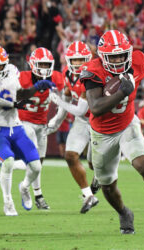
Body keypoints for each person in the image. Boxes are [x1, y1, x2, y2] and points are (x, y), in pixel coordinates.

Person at [79, 30, 144, 234]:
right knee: (108, 186)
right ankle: (124, 213)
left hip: (127, 124)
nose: (118, 60)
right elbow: (96, 107)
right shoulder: (93, 71)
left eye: (121, 55)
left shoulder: (137, 61)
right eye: (113, 56)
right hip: (102, 133)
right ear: (102, 56)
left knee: (143, 165)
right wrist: (121, 93)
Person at [0, 44, 55, 215]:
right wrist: (12, 104)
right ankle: (7, 201)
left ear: (6, 63)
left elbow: (20, 94)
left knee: (36, 167)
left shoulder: (12, 71)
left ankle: (25, 187)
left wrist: (35, 88)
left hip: (16, 127)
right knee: (9, 161)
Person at [48, 41, 100, 213]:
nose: (77, 64)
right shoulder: (67, 73)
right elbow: (68, 96)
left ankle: (98, 178)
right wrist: (56, 119)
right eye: (74, 60)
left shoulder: (91, 74)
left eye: (81, 60)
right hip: (82, 121)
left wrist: (58, 101)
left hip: (98, 122)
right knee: (70, 156)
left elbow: (81, 109)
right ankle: (88, 196)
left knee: (94, 165)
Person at [16, 47, 65, 210]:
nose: (44, 68)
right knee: (34, 156)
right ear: (32, 64)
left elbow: (66, 98)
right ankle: (27, 188)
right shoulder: (22, 78)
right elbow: (14, 96)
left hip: (41, 124)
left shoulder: (57, 78)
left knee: (39, 163)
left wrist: (56, 120)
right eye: (40, 64)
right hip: (24, 122)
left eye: (46, 64)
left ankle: (35, 192)